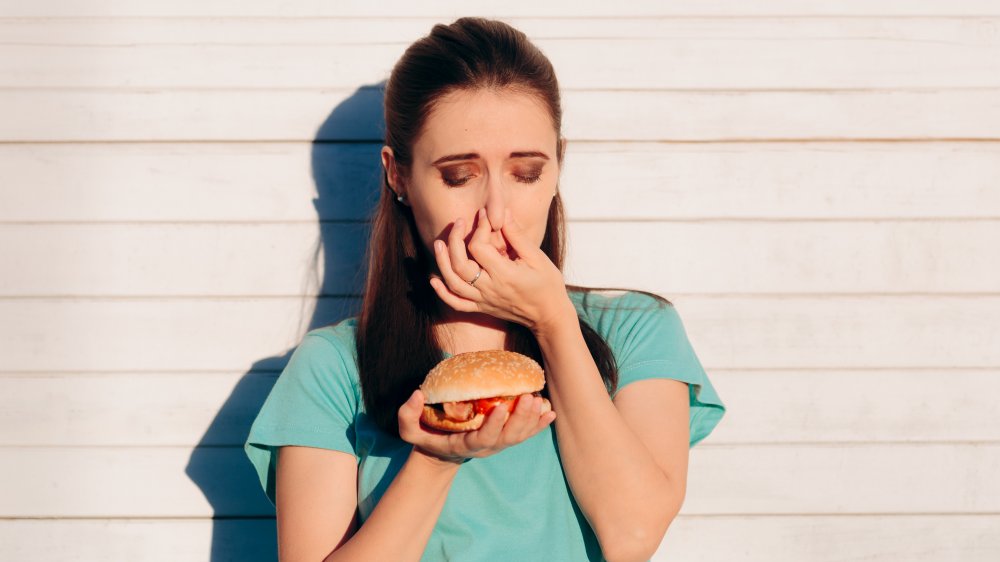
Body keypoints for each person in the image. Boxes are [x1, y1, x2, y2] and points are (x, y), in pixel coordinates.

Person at [244, 17, 726, 562]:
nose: (497, 211)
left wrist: (554, 322)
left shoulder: (636, 329)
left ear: (558, 167)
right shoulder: (335, 367)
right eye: (458, 176)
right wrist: (435, 460)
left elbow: (632, 536)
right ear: (398, 177)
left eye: (525, 173)